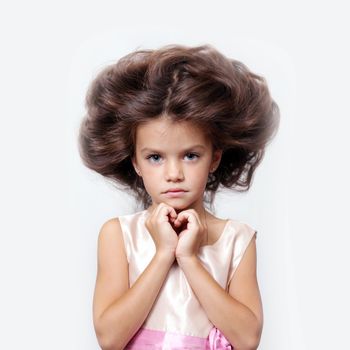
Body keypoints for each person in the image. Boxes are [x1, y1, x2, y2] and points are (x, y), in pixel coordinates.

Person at [78, 43, 280, 349]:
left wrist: (188, 258)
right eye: (155, 158)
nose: (174, 173)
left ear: (214, 158)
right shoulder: (118, 235)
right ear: (135, 162)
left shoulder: (237, 240)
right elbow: (109, 338)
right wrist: (163, 254)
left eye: (190, 156)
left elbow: (248, 338)